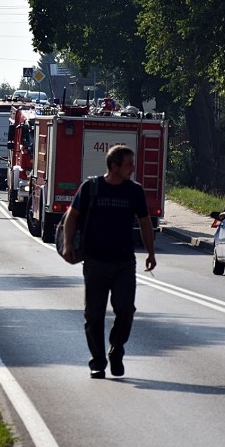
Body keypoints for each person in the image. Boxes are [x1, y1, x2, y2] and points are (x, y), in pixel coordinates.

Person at [60, 145, 157, 379]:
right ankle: (98, 361)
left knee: (125, 310)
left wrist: (151, 253)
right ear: (114, 166)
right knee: (94, 315)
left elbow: (145, 223)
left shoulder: (134, 191)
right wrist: (67, 244)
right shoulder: (92, 188)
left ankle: (116, 347)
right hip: (95, 261)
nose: (133, 169)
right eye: (129, 165)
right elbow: (72, 217)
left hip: (124, 262)